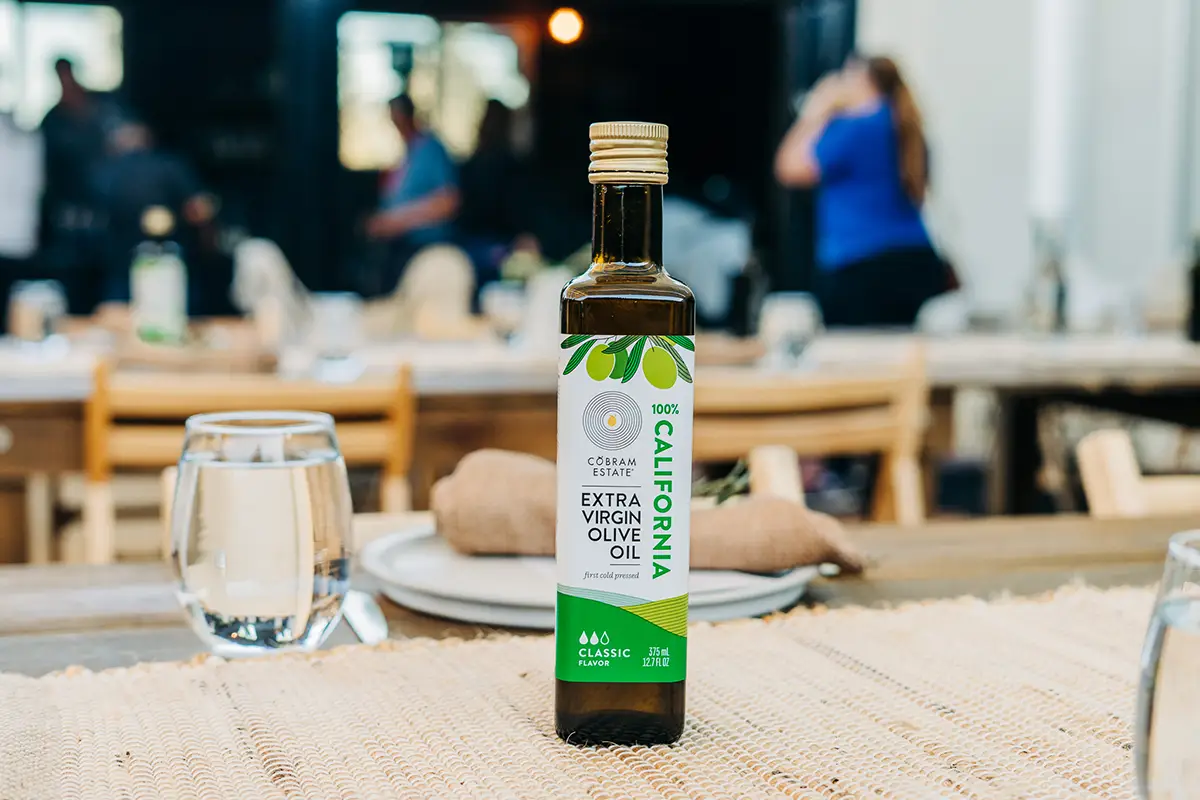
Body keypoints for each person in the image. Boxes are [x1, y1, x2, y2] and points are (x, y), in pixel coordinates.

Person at [775, 55, 947, 328]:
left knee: (851, 358)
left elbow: (789, 167)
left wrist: (816, 111)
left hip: (860, 266)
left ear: (861, 81)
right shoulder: (904, 124)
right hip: (916, 262)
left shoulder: (854, 129)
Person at [90, 119, 213, 306]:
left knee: (122, 321)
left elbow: (90, 219)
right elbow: (198, 210)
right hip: (171, 263)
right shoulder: (171, 166)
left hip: (122, 268)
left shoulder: (105, 173)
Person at [366, 94, 459, 289]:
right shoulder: (407, 153)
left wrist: (397, 222)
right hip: (398, 248)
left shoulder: (431, 150)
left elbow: (448, 202)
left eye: (397, 118)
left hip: (425, 250)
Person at [455, 100, 538, 293]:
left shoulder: (471, 164)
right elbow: (516, 208)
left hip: (469, 245)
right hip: (499, 248)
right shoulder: (512, 166)